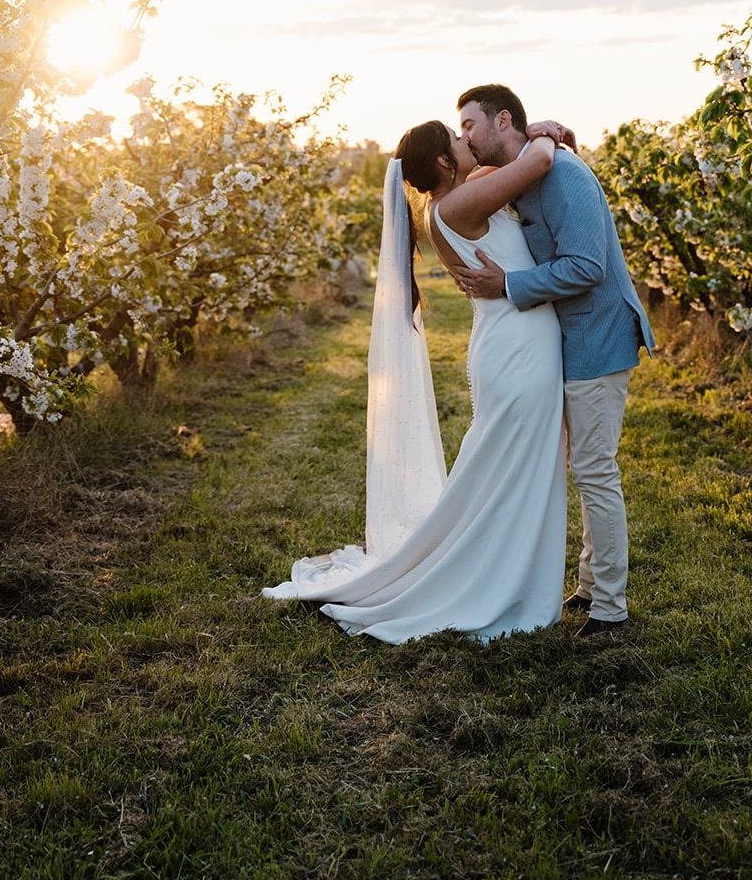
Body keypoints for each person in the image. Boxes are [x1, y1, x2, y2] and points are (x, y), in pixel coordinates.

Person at [261, 120, 568, 645]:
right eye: (456, 137)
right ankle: (492, 583)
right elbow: (537, 161)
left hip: (516, 342)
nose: (467, 140)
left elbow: (507, 168)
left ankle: (503, 573)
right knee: (511, 470)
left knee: (509, 469)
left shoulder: (455, 197)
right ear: (445, 164)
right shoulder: (456, 206)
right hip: (519, 350)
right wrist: (546, 131)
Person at [452, 85, 655, 638]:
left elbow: (587, 266)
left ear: (502, 121)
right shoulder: (528, 169)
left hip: (598, 336)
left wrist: (507, 284)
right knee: (584, 469)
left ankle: (610, 609)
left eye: (470, 124)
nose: (465, 136)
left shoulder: (561, 173)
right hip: (570, 338)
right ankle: (590, 586)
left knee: (595, 470)